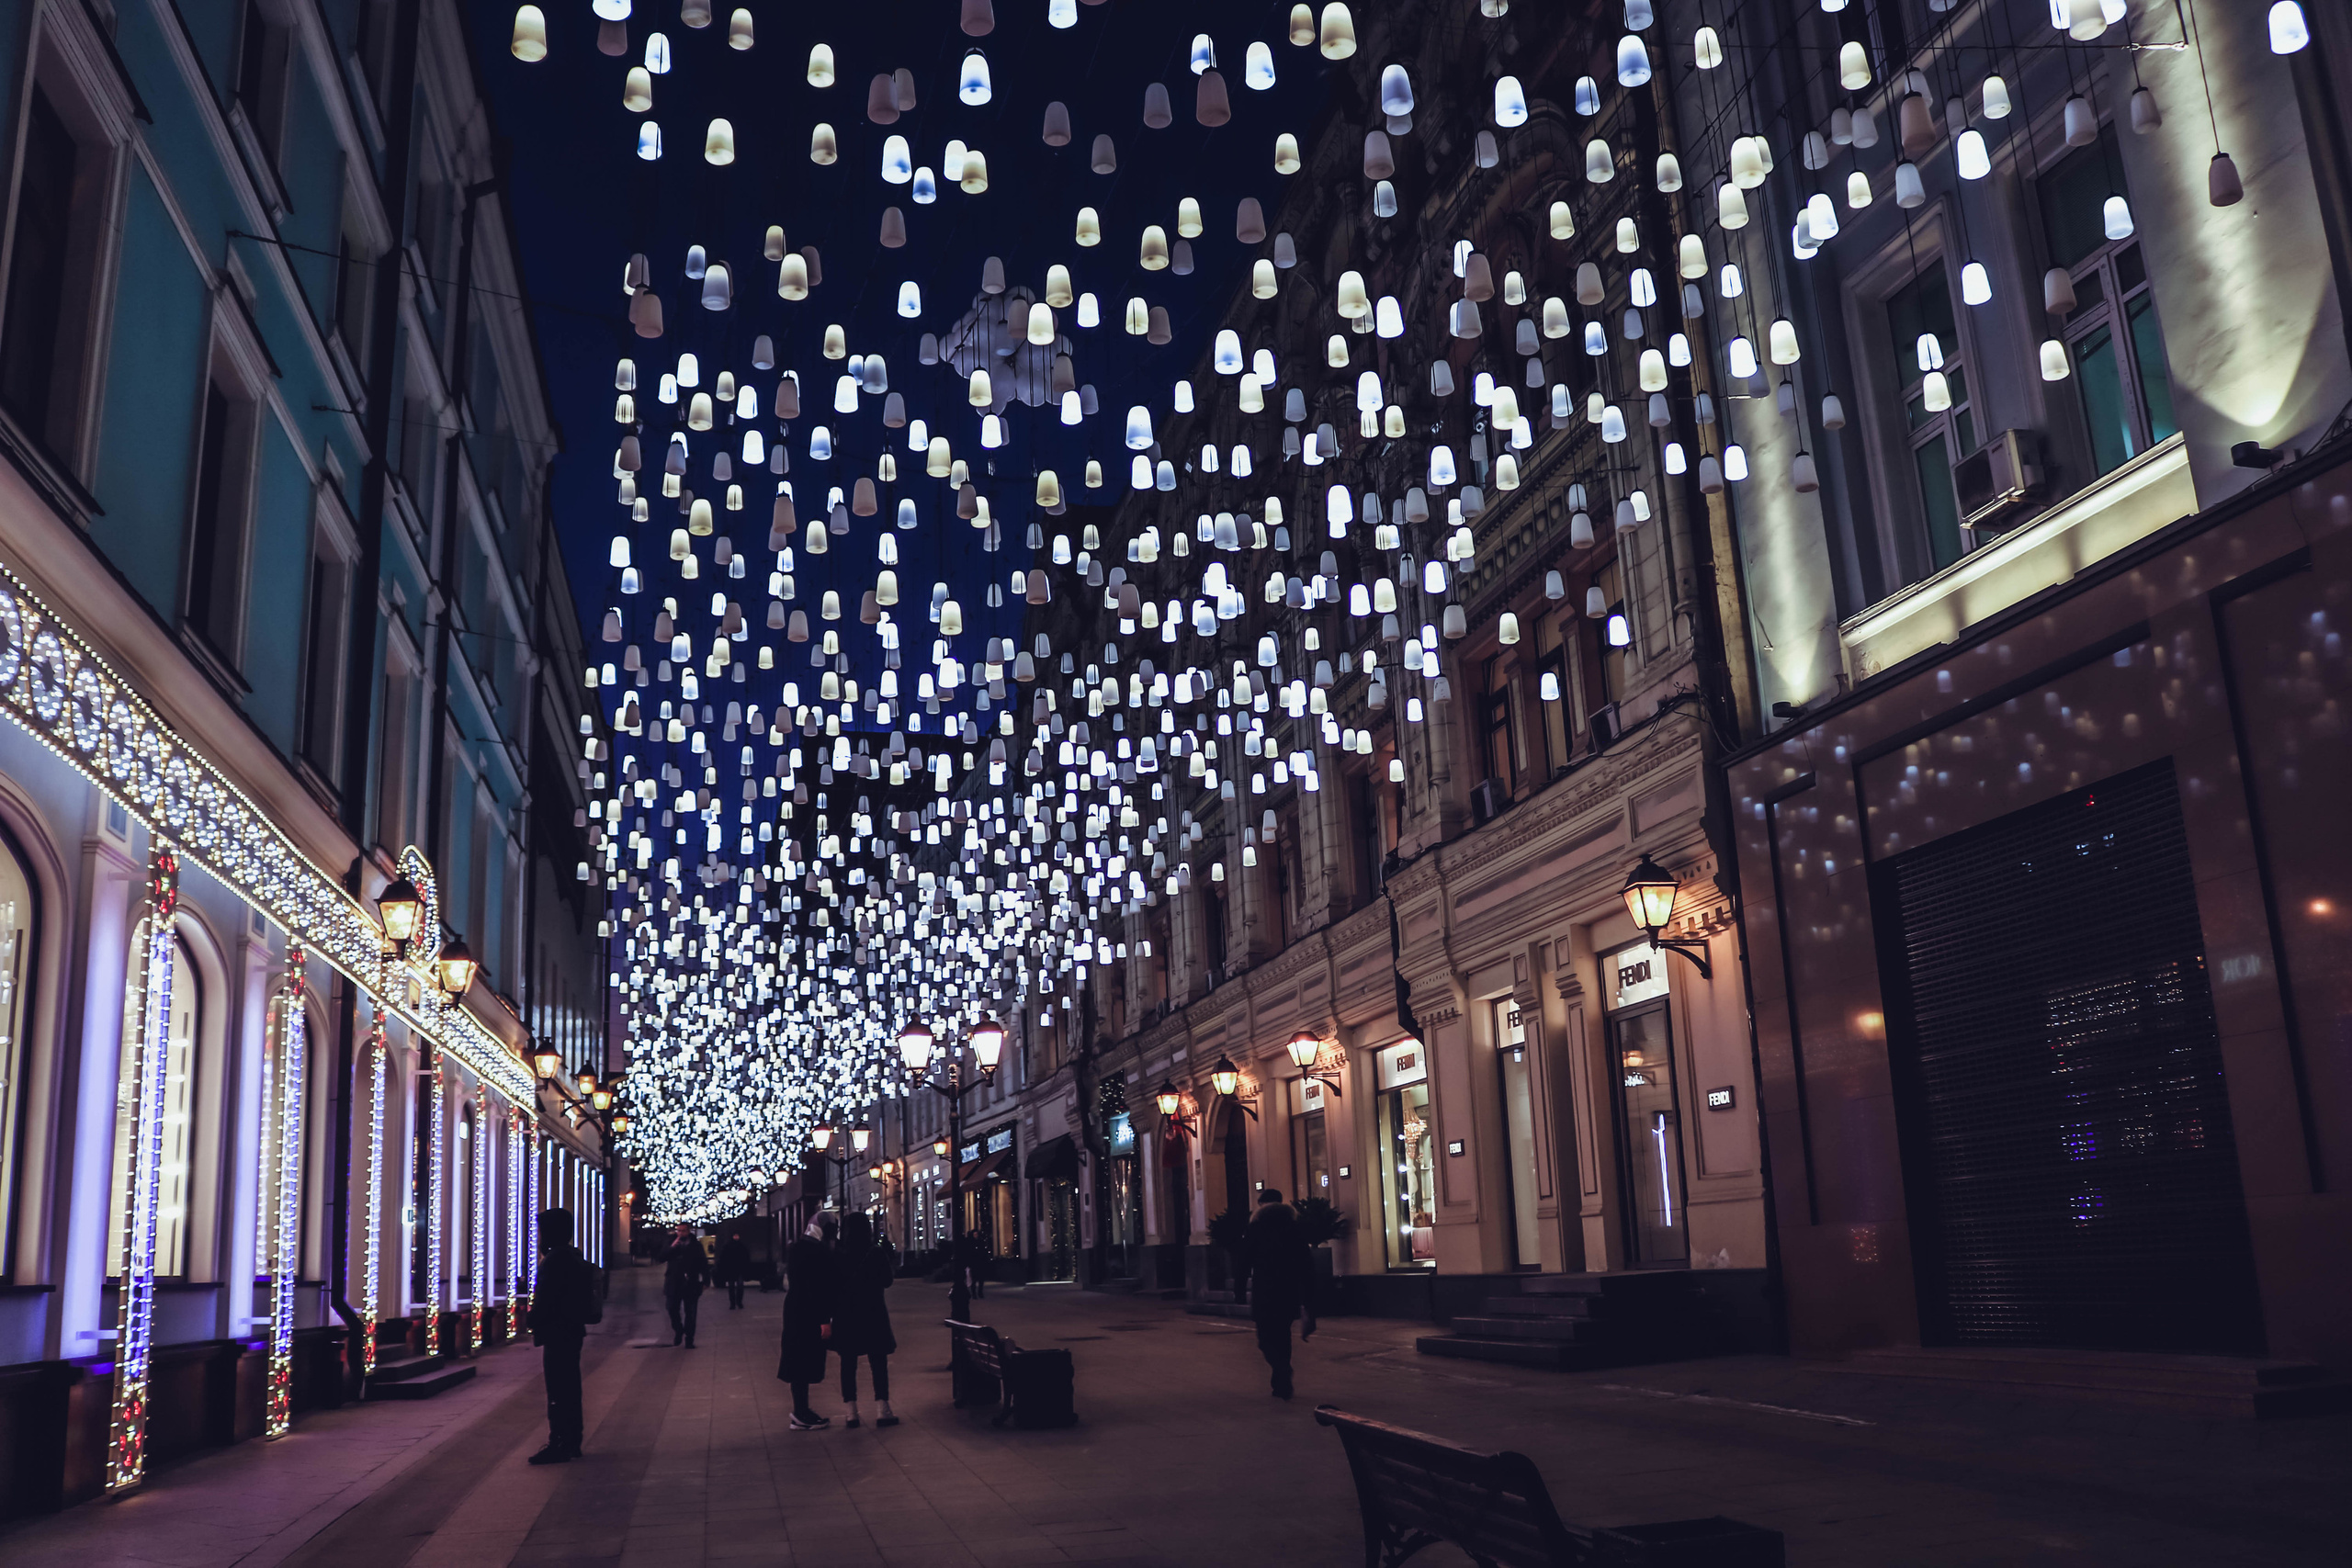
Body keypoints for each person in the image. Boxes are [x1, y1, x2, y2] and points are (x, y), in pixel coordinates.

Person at [527, 1207, 596, 1463]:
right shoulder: (574, 1256)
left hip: (557, 1332)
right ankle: (572, 1440)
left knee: (558, 1389)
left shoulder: (554, 1261)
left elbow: (545, 1300)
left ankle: (559, 1441)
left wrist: (532, 1320)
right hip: (573, 1330)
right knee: (571, 1387)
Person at [1238, 1188, 1315, 1399]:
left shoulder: (1256, 1227)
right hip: (1288, 1289)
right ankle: (1283, 1373)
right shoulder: (1294, 1226)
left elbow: (1244, 1259)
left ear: (1261, 1204)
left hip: (1264, 1289)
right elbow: (1306, 1263)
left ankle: (1281, 1373)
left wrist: (1239, 1287)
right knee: (1283, 1335)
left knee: (1265, 1338)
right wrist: (1308, 1296)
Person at [831, 1213, 899, 1428]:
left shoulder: (838, 1254)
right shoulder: (875, 1252)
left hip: (846, 1314)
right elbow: (888, 1281)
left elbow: (831, 1286)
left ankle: (851, 1412)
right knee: (878, 1362)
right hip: (873, 1312)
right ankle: (882, 1409)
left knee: (848, 1363)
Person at [778, 1213, 837, 1429]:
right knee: (803, 1361)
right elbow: (816, 1287)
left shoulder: (799, 1248)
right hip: (808, 1313)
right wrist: (824, 1320)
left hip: (796, 1311)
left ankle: (801, 1410)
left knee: (798, 1361)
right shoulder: (817, 1251)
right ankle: (801, 1413)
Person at [662, 1222, 710, 1348]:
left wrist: (706, 1281)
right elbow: (661, 1257)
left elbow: (703, 1263)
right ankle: (678, 1330)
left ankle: (689, 1339)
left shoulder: (696, 1245)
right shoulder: (671, 1243)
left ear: (688, 1232)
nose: (680, 1233)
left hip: (691, 1283)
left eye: (683, 1231)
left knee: (691, 1313)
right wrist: (672, 1247)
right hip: (673, 1283)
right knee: (672, 1308)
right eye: (678, 1230)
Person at [715, 1231, 753, 1310]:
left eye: (737, 1236)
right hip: (731, 1270)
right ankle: (733, 1303)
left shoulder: (741, 1246)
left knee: (740, 1287)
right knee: (732, 1287)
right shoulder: (730, 1246)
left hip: (738, 1270)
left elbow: (746, 1258)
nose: (736, 1237)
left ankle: (738, 1302)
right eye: (735, 1236)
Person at [956, 1225, 989, 1303]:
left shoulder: (980, 1242)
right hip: (973, 1264)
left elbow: (983, 1253)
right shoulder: (969, 1243)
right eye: (975, 1234)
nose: (976, 1236)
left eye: (976, 1234)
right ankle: (974, 1293)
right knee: (974, 1280)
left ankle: (980, 1292)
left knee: (981, 1279)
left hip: (980, 1263)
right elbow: (967, 1254)